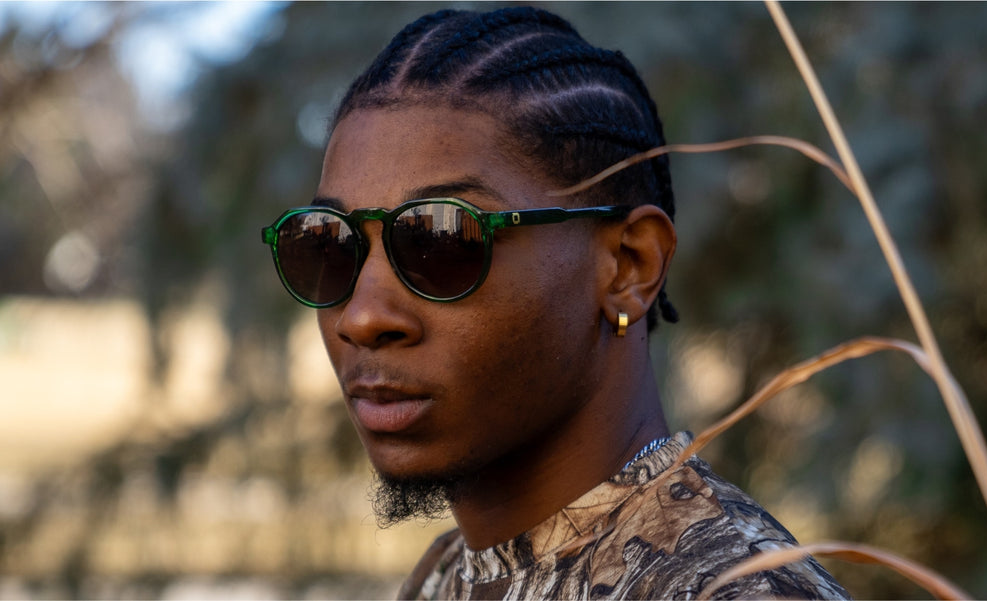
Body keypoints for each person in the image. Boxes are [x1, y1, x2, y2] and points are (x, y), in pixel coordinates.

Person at [262, 6, 850, 599]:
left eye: (442, 239)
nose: (363, 317)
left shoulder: (732, 591)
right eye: (329, 243)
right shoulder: (450, 573)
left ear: (629, 267)